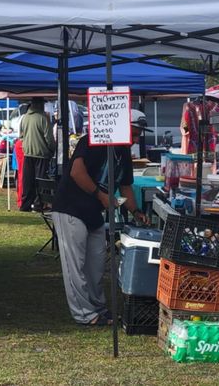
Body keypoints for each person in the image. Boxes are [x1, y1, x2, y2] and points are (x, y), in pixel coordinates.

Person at [51, 110, 149, 326]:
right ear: (121, 127)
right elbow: (77, 172)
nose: (135, 139)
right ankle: (85, 314)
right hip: (70, 207)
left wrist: (136, 212)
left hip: (94, 212)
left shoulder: (124, 153)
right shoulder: (93, 141)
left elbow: (125, 186)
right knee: (75, 266)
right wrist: (101, 195)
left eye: (138, 135)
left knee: (95, 265)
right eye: (133, 133)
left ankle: (98, 308)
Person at [19, 97, 55, 212]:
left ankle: (25, 205)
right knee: (41, 181)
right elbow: (49, 138)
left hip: (28, 153)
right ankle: (39, 204)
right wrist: (52, 149)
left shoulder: (24, 118)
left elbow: (21, 136)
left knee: (28, 181)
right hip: (41, 154)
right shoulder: (43, 118)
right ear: (40, 104)